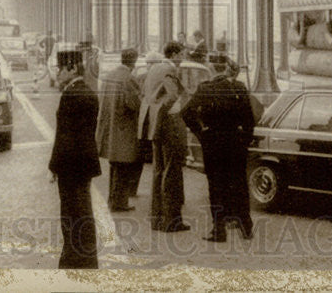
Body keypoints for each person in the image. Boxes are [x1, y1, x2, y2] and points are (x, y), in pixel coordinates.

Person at [181, 54, 255, 242]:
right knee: (239, 184)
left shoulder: (205, 89)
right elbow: (250, 120)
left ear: (212, 68)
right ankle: (246, 227)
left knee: (216, 186)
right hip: (236, 144)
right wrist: (244, 140)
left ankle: (219, 230)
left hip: (213, 143)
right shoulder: (239, 88)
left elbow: (186, 112)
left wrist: (202, 133)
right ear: (227, 68)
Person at [48, 49, 101, 269]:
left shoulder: (71, 95)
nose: (58, 74)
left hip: (70, 165)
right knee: (81, 212)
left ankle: (75, 260)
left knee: (72, 214)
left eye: (61, 69)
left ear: (72, 69)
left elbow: (64, 136)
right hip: (83, 163)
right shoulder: (86, 92)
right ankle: (82, 259)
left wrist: (54, 166)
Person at [140, 41, 190, 233]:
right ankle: (172, 221)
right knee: (172, 173)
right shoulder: (169, 70)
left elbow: (146, 94)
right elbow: (172, 96)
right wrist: (177, 110)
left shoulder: (154, 69)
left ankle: (157, 219)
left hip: (155, 127)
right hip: (169, 127)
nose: (183, 58)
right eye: (183, 54)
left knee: (158, 171)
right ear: (175, 54)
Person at [95, 48, 144, 212]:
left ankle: (112, 199)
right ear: (134, 61)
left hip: (110, 128)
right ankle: (120, 202)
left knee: (114, 165)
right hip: (124, 128)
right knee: (124, 166)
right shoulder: (128, 78)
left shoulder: (110, 75)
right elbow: (133, 104)